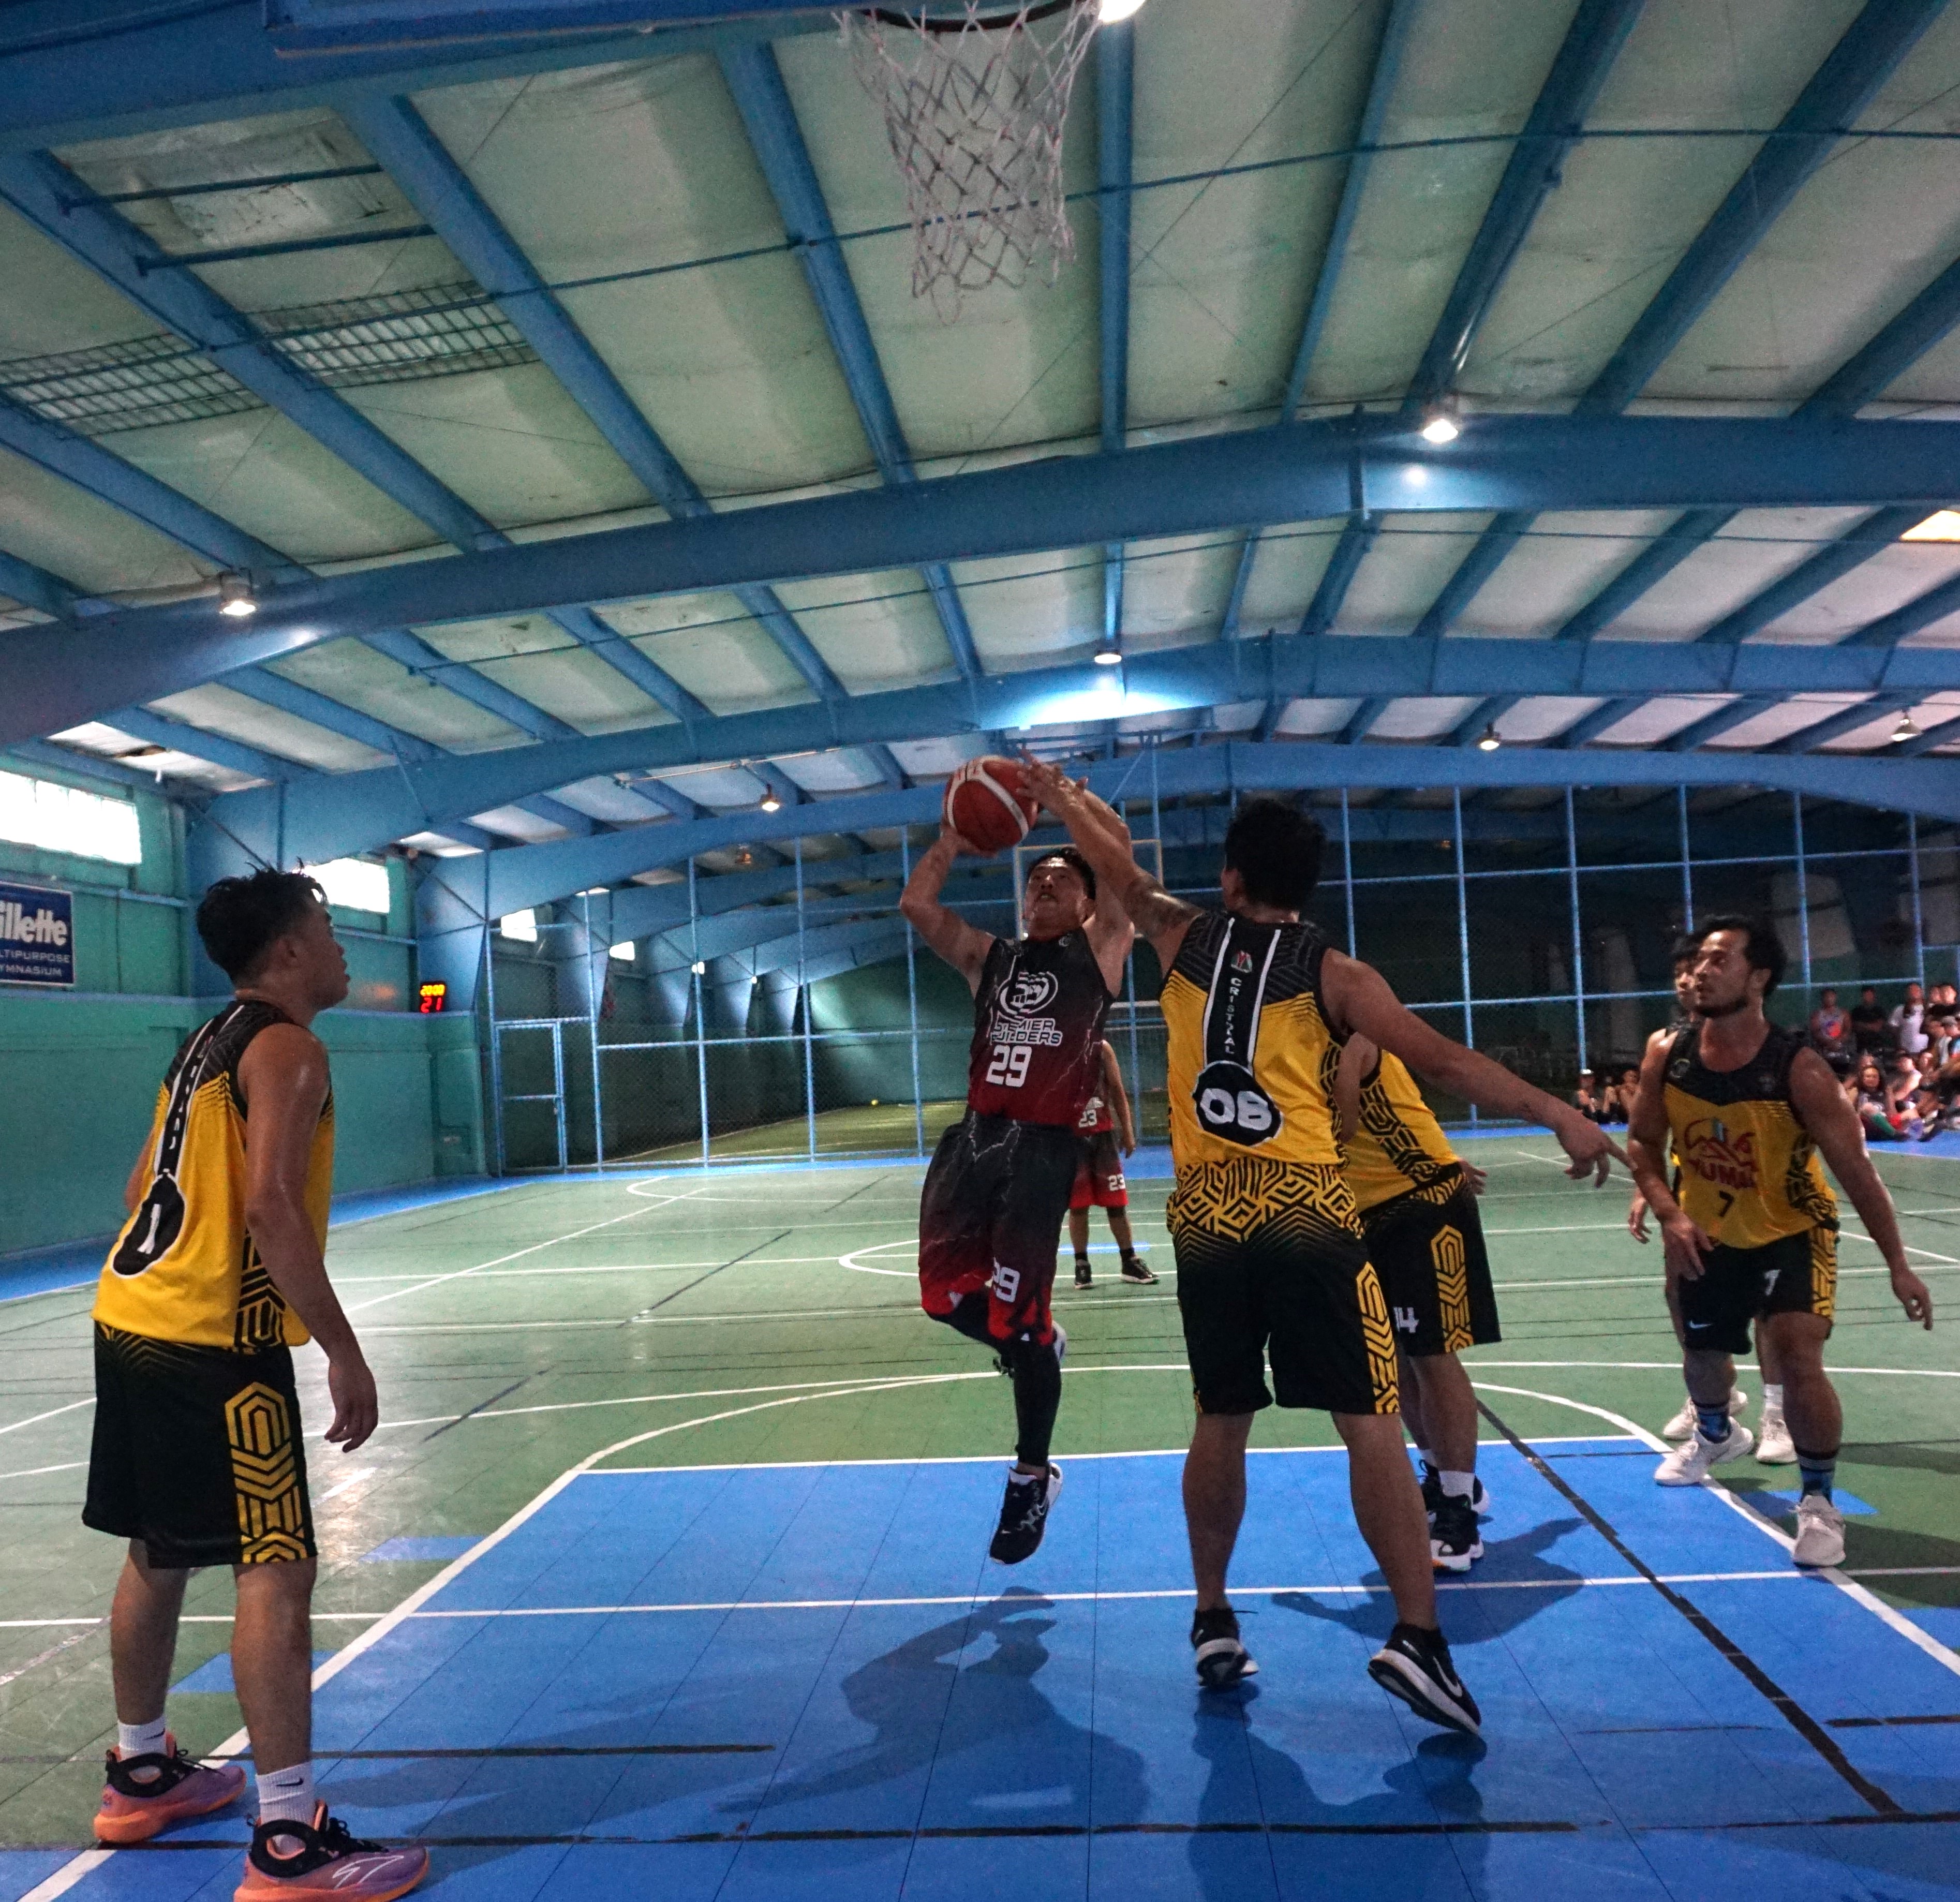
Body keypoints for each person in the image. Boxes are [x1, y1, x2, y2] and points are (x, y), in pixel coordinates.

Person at [1027, 770, 1620, 1734]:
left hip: (1208, 1221)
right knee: (1370, 1422)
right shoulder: (1338, 976)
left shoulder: (1179, 933)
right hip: (1307, 1212)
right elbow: (1445, 1060)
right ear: (1305, 886)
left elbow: (1115, 863)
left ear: (1229, 877)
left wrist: (1058, 797)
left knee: (1220, 1417)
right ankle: (1418, 1639)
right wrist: (1559, 1112)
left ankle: (1212, 1617)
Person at [84, 871, 426, 1900]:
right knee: (276, 1567)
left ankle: (141, 1771)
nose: (340, 944)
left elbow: (139, 1187)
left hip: (130, 1314)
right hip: (217, 1345)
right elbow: (273, 1208)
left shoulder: (205, 1044)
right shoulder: (289, 1048)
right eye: (326, 925)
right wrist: (343, 1349)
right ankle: (287, 1841)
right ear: (286, 949)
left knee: (159, 1548)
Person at [1626, 917, 1933, 1567]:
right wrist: (1669, 1213)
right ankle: (1716, 1432)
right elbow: (1642, 1143)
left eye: (1718, 959)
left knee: (1796, 1353)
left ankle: (1818, 1501)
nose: (1700, 970)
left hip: (1792, 1230)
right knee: (1701, 1354)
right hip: (1704, 1232)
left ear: (1757, 977)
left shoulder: (1799, 1070)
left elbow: (1857, 1171)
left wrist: (1897, 1263)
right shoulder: (1666, 1052)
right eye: (1697, 959)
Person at [899, 829, 1134, 1564]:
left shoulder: (1098, 953)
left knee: (1022, 1328)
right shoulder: (990, 958)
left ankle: (1032, 1477)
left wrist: (1068, 810)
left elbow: (1121, 868)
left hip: (1039, 1150)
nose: (1045, 884)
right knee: (940, 1297)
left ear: (1089, 903)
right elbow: (916, 904)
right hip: (974, 1140)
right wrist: (950, 839)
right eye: (1036, 878)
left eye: (1062, 879)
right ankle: (1034, 1344)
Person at [1333, 1035, 1498, 1573]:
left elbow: (1338, 1127)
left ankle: (1458, 1511)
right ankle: (1445, 1479)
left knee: (1431, 1354)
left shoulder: (1344, 1030)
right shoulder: (1279, 1031)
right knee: (1394, 1358)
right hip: (1361, 1214)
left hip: (1419, 1203)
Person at [1070, 1041, 1154, 1288]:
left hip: (1102, 1137)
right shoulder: (1058, 1046)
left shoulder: (1101, 1048)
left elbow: (1117, 1089)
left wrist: (1127, 1131)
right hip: (1071, 1139)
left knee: (1116, 1202)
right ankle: (1081, 1264)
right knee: (1078, 1206)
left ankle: (1129, 1260)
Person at [1809, 988, 1851, 1072]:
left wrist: (1838, 1042)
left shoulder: (1844, 1013)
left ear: (1835, 997)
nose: (1829, 999)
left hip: (1841, 1048)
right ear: (1823, 998)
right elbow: (1815, 1032)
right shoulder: (1817, 1015)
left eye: (1831, 996)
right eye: (1827, 997)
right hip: (1824, 1048)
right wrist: (1829, 1043)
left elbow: (1847, 1030)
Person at [1891, 981, 1929, 1058]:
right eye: (1911, 990)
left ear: (1922, 992)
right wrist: (1900, 1047)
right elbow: (1894, 1030)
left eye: (1917, 990)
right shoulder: (1900, 1010)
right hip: (1907, 1051)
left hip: (1927, 1050)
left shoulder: (1930, 1008)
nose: (1914, 993)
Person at [1849, 985, 1889, 1056]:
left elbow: (1877, 1028)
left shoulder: (1880, 1011)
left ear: (1874, 995)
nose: (1867, 997)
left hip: (1877, 1046)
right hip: (1861, 1046)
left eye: (1869, 995)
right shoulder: (1856, 1011)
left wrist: (1863, 1025)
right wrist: (1870, 1026)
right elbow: (1855, 1027)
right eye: (1865, 995)